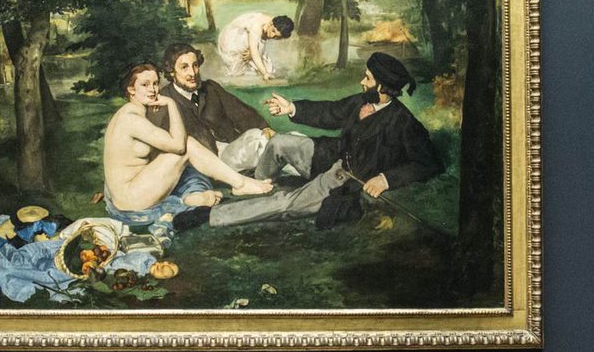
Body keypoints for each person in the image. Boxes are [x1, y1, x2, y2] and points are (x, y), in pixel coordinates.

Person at [181, 52, 443, 230]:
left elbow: (429, 163)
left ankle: (212, 215)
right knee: (279, 143)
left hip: (344, 180)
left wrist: (386, 179)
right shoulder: (362, 101)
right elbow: (330, 112)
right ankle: (257, 184)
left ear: (383, 87)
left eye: (367, 78)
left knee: (285, 204)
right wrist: (292, 108)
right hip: (329, 155)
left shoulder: (404, 123)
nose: (362, 82)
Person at [102, 64, 272, 230]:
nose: (153, 90)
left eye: (155, 84)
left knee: (187, 162)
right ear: (131, 89)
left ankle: (194, 197)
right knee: (187, 145)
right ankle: (239, 184)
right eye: (145, 85)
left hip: (133, 189)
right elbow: (179, 146)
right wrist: (171, 104)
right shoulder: (131, 119)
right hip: (131, 198)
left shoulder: (131, 112)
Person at [160, 42, 314, 174]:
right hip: (211, 161)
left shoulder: (210, 88)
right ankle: (311, 170)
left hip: (234, 147)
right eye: (184, 67)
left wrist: (265, 128)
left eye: (195, 65)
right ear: (171, 71)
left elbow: (241, 112)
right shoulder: (164, 99)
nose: (192, 73)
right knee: (260, 141)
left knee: (289, 137)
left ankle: (312, 164)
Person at [216, 12, 294, 80]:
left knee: (268, 68)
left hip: (249, 41)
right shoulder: (257, 26)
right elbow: (254, 51)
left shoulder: (276, 24)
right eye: (273, 31)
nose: (272, 36)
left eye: (276, 37)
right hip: (232, 39)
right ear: (271, 23)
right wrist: (264, 73)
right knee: (242, 69)